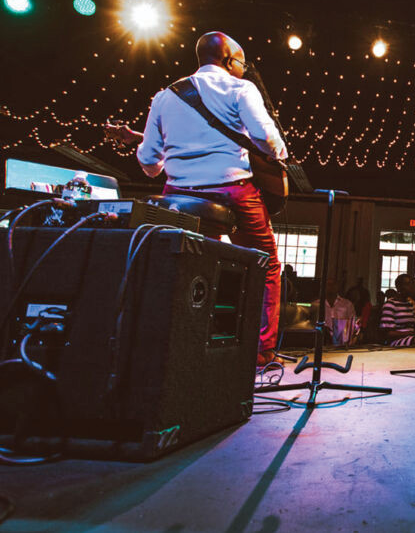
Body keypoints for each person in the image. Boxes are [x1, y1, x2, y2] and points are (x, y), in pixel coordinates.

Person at [104, 31, 288, 368]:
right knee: (266, 264)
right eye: (242, 64)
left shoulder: (165, 96)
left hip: (178, 197)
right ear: (230, 61)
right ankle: (261, 352)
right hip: (231, 190)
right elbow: (266, 139)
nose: (244, 71)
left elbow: (148, 164)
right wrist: (278, 150)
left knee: (182, 264)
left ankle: (172, 342)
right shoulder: (240, 89)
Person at [313, 279, 356, 347]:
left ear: (337, 286)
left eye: (333, 284)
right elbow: (312, 324)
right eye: (328, 285)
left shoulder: (347, 304)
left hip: (342, 342)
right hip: (322, 342)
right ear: (323, 287)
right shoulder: (316, 304)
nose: (331, 287)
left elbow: (352, 323)